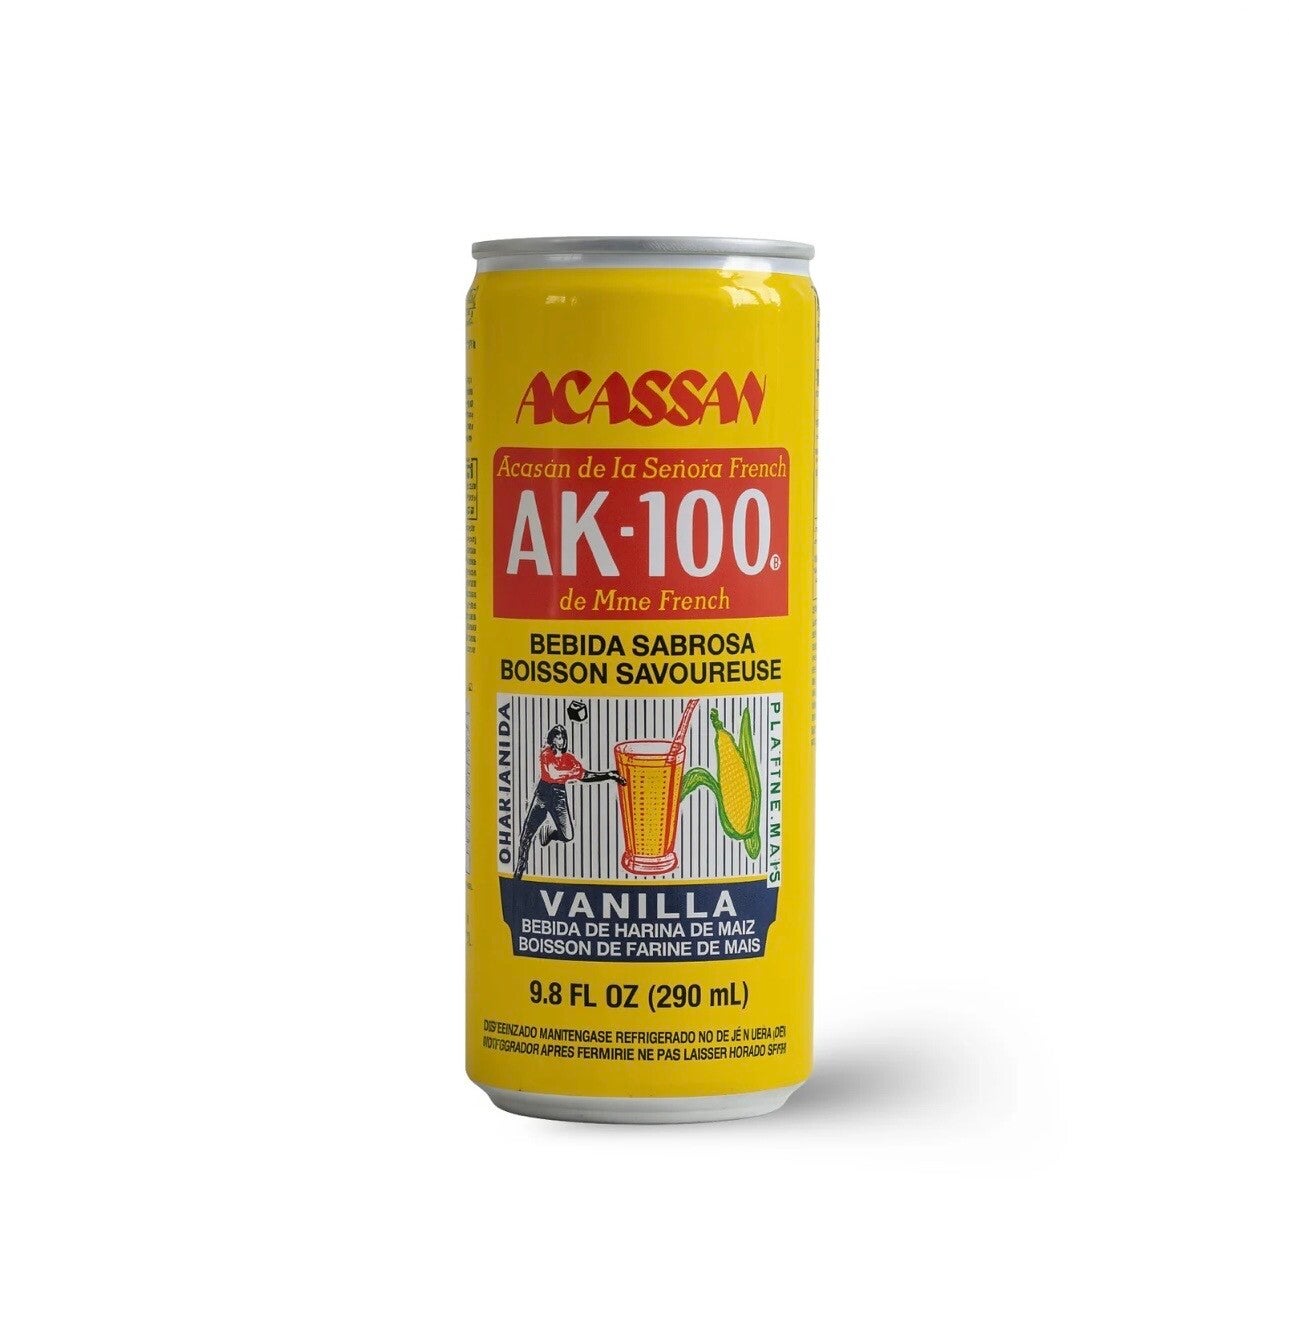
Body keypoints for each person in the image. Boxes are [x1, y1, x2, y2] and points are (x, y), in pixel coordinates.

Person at [514, 724, 624, 879]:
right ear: (552, 740)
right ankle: (520, 867)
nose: (561, 741)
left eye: (563, 738)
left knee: (568, 835)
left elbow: (584, 775)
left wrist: (609, 775)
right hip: (543, 793)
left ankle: (549, 833)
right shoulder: (546, 754)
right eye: (558, 738)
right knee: (528, 831)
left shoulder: (569, 759)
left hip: (559, 795)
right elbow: (553, 774)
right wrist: (572, 773)